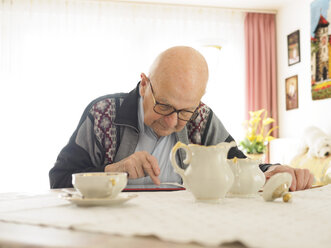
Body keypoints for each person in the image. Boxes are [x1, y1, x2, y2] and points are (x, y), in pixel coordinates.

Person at [49, 46, 314, 191]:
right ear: (144, 84)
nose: (172, 121)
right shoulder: (102, 113)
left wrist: (275, 171)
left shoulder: (201, 117)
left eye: (185, 111)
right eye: (164, 106)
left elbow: (238, 166)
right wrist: (111, 171)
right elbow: (59, 179)